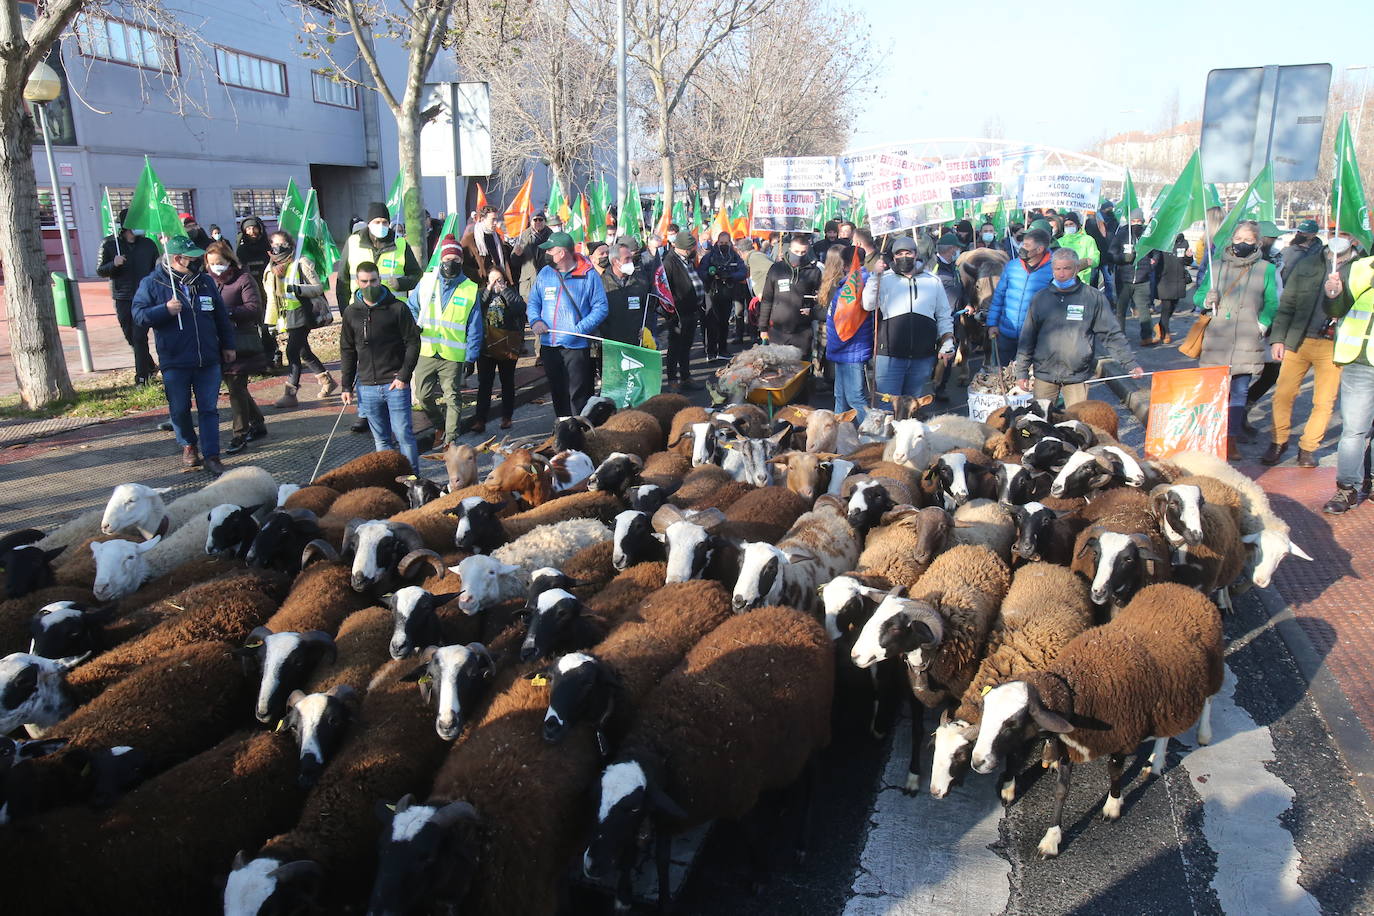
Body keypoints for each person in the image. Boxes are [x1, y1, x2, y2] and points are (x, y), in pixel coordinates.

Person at [132, 236, 235, 476]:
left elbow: (220, 316)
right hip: (175, 359)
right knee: (179, 408)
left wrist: (228, 345)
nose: (199, 262)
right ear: (178, 259)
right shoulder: (152, 283)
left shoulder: (205, 282)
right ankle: (188, 444)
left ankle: (212, 455)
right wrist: (164, 310)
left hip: (208, 358)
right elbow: (138, 315)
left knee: (209, 409)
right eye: (192, 259)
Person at [1014, 248, 1142, 407]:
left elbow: (1111, 334)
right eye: (1057, 269)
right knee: (1040, 424)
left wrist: (1130, 363)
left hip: (1077, 374)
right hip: (1044, 373)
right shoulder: (1041, 298)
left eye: (1067, 268)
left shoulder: (1092, 297)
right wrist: (1022, 371)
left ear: (1076, 269)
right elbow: (1027, 337)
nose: (1061, 274)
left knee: (1076, 424)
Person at [335, 202, 422, 432]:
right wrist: (345, 309)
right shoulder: (354, 243)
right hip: (361, 311)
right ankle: (365, 413)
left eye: (385, 222)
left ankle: (397, 408)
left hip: (393, 313)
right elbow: (343, 278)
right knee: (363, 362)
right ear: (368, 223)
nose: (381, 226)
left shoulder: (400, 243)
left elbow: (416, 274)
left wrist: (401, 282)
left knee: (394, 360)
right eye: (377, 222)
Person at [1197, 221, 1279, 461]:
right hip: (1217, 338)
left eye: (1249, 240)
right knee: (1214, 391)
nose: (1242, 243)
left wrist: (1261, 324)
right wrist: (1206, 299)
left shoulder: (1266, 269)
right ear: (1232, 239)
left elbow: (1272, 301)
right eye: (1239, 238)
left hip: (1247, 338)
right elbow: (1199, 295)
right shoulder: (1217, 267)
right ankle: (1211, 436)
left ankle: (1230, 439)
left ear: (1257, 242)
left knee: (1239, 391)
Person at [1264, 225, 1341, 468]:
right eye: (1336, 233)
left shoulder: (1359, 268)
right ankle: (1278, 441)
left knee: (1324, 401)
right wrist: (1278, 338)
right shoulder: (1308, 264)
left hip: (1334, 345)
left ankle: (1308, 448)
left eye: (1348, 235)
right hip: (1298, 340)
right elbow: (1287, 303)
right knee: (1283, 395)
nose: (1341, 239)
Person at [340, 262, 423, 471]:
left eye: (374, 281)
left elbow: (413, 341)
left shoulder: (397, 308)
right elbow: (347, 350)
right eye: (365, 282)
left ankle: (413, 478)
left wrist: (404, 375)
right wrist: (346, 386)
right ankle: (390, 480)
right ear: (358, 283)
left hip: (395, 384)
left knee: (404, 435)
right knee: (381, 441)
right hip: (367, 387)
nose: (370, 285)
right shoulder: (351, 313)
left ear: (380, 280)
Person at [408, 233, 483, 449]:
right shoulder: (427, 282)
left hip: (453, 355)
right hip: (427, 349)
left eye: (457, 260)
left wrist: (471, 357)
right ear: (441, 260)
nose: (451, 264)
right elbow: (412, 307)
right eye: (448, 259)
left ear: (461, 262)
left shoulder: (469, 288)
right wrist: (414, 324)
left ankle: (451, 439)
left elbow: (475, 326)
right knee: (423, 396)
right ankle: (440, 424)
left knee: (452, 397)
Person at [527, 230, 608, 415]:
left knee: (577, 396)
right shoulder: (545, 273)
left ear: (562, 253)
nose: (546, 254)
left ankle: (580, 433)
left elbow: (601, 308)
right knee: (558, 392)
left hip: (576, 347)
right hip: (549, 345)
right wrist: (535, 320)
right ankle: (563, 430)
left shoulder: (589, 275)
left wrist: (576, 330)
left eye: (550, 251)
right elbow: (533, 302)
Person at [862, 236, 953, 398]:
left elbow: (944, 314)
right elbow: (868, 304)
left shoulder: (933, 281)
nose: (904, 257)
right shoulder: (884, 278)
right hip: (889, 356)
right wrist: (874, 277)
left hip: (922, 356)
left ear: (916, 254)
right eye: (899, 253)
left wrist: (947, 341)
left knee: (912, 407)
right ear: (894, 257)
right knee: (886, 408)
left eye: (908, 253)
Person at [1322, 243, 1374, 512]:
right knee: (1354, 430)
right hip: (1360, 362)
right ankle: (1347, 489)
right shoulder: (1358, 268)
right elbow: (1334, 309)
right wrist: (1333, 294)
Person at [262, 231, 338, 408]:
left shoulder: (301, 262)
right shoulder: (271, 268)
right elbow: (271, 297)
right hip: (285, 315)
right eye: (274, 244)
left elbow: (318, 287)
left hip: (303, 312)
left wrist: (298, 289)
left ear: (290, 244)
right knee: (304, 351)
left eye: (282, 244)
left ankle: (290, 393)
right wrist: (270, 321)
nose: (278, 248)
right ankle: (327, 380)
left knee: (292, 351)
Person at [204, 242, 267, 454]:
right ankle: (258, 422)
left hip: (240, 341)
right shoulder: (207, 281)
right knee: (236, 388)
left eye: (219, 263)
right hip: (216, 342)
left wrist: (226, 312)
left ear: (229, 260)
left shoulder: (243, 279)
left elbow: (254, 308)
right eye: (211, 263)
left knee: (236, 388)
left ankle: (240, 433)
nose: (215, 267)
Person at [96, 207, 160, 384]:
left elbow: (157, 268)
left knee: (140, 336)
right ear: (127, 226)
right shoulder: (109, 244)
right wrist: (113, 264)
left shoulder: (148, 244)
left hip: (145, 297)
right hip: (122, 296)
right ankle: (149, 365)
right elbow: (100, 270)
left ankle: (142, 377)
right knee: (130, 336)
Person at [986, 227, 1054, 365]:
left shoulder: (1053, 270)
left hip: (1033, 338)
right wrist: (992, 323)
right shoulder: (1012, 266)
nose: (1022, 247)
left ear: (1040, 249)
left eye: (1027, 245)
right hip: (1005, 333)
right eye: (1023, 244)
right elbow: (999, 296)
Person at [820, 245, 872, 420]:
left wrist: (834, 346)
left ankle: (870, 436)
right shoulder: (853, 284)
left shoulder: (856, 286)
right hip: (844, 350)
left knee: (854, 398)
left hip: (850, 349)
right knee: (840, 396)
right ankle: (838, 434)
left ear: (845, 265)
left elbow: (844, 323)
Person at [474, 267, 526, 432]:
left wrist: (504, 290)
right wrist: (489, 289)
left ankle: (507, 417)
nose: (496, 283)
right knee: (485, 384)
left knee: (507, 382)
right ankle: (480, 419)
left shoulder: (510, 293)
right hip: (486, 346)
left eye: (499, 280)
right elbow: (476, 306)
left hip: (507, 344)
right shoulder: (482, 293)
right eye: (493, 280)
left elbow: (520, 308)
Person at [760, 234, 823, 359]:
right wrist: (763, 327)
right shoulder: (776, 268)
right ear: (789, 250)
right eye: (796, 251)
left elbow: (820, 300)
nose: (799, 255)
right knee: (777, 367)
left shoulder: (814, 271)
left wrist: (813, 309)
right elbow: (767, 299)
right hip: (778, 330)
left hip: (802, 331)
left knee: (801, 367)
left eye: (803, 252)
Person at [660, 230, 707, 391]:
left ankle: (686, 376)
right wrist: (671, 313)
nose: (692, 250)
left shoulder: (688, 259)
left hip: (692, 310)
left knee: (686, 346)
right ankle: (673, 380)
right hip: (678, 313)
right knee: (674, 347)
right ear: (682, 248)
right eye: (690, 248)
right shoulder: (669, 262)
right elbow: (665, 290)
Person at [1108, 208, 1160, 342]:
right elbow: (1112, 254)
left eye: (1138, 221)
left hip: (1142, 279)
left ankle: (1147, 336)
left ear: (1142, 221)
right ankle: (1120, 336)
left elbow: (1156, 253)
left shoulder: (1148, 235)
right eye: (1133, 221)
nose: (1136, 223)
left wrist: (1152, 264)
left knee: (1144, 309)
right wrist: (1123, 258)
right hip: (1124, 278)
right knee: (1121, 309)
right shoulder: (1121, 234)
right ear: (1129, 221)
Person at [697, 231, 749, 360]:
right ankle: (711, 351)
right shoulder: (709, 257)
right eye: (721, 243)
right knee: (711, 322)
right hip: (712, 292)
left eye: (726, 243)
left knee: (724, 323)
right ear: (717, 242)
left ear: (730, 243)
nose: (724, 245)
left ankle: (723, 350)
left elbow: (743, 271)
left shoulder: (735, 256)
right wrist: (710, 275)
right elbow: (701, 272)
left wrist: (731, 276)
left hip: (727, 293)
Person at [599, 238, 653, 346]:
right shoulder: (601, 283)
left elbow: (648, 308)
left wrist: (646, 328)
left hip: (636, 341)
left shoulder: (640, 281)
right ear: (615, 261)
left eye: (631, 259)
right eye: (627, 259)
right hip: (612, 343)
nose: (631, 262)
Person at [461, 205, 511, 288]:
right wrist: (480, 274)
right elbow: (463, 265)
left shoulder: (496, 237)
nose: (495, 223)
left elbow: (503, 260)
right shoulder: (469, 240)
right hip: (480, 286)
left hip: (498, 285)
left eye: (496, 219)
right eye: (493, 219)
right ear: (483, 219)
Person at [1153, 242, 1192, 344]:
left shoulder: (1184, 243)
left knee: (1172, 307)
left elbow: (1187, 262)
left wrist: (1189, 257)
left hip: (1178, 280)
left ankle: (1160, 326)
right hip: (1164, 279)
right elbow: (1155, 258)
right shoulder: (1164, 240)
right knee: (1166, 307)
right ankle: (1166, 333)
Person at [511, 211, 552, 301]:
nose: (538, 222)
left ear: (545, 221)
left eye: (540, 220)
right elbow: (514, 263)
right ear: (531, 221)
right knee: (530, 312)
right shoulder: (524, 236)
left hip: (547, 281)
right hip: (528, 283)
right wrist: (517, 256)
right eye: (535, 220)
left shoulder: (551, 236)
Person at [1055, 212, 1099, 285]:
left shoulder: (1088, 240)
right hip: (1063, 279)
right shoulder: (1060, 241)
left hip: (1082, 280)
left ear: (1077, 225)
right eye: (1066, 225)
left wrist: (1086, 262)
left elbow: (1095, 258)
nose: (1069, 227)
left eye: (1071, 224)